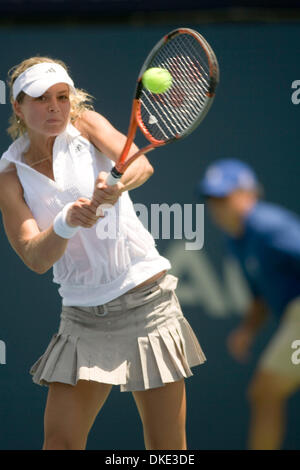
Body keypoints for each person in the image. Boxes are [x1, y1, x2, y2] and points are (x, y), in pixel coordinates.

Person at [0, 56, 206, 450]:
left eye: (62, 97)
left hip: (148, 302)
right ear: (18, 106)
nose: (54, 108)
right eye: (41, 99)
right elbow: (35, 257)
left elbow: (139, 166)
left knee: (166, 449)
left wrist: (118, 186)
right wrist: (65, 221)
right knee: (60, 443)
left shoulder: (87, 125)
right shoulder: (9, 174)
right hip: (82, 317)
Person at [197, 159, 300, 450]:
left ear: (249, 194)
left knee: (265, 391)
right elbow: (260, 296)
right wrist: (248, 330)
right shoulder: (237, 240)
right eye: (212, 199)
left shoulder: (269, 225)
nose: (217, 207)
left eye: (224, 197)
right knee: (265, 392)